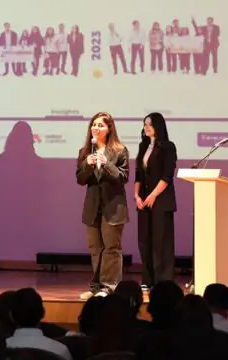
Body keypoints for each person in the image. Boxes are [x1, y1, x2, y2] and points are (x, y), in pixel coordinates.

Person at [76, 111, 130, 299]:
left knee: (111, 249)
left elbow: (123, 177)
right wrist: (87, 164)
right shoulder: (85, 152)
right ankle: (96, 287)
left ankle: (109, 287)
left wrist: (106, 163)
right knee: (95, 249)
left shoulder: (119, 151)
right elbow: (80, 179)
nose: (96, 128)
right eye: (94, 124)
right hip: (93, 207)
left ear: (109, 129)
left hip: (113, 207)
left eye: (101, 125)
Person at [134, 112, 178, 291]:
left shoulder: (168, 147)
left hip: (161, 200)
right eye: (145, 124)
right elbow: (138, 175)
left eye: (150, 124)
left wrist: (153, 196)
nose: (147, 127)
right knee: (144, 240)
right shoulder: (143, 146)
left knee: (161, 241)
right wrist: (137, 196)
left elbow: (167, 176)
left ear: (158, 126)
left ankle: (163, 281)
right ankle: (148, 279)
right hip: (144, 200)